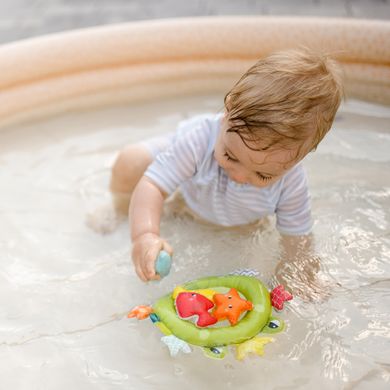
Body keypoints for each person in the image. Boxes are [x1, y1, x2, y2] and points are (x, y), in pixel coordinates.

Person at [104, 48, 344, 298]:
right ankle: (119, 209)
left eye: (263, 175)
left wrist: (300, 276)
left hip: (242, 221)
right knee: (131, 161)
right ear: (227, 112)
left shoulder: (291, 180)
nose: (240, 177)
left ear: (300, 157)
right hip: (187, 194)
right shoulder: (198, 141)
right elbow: (153, 184)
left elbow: (297, 240)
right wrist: (145, 235)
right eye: (230, 156)